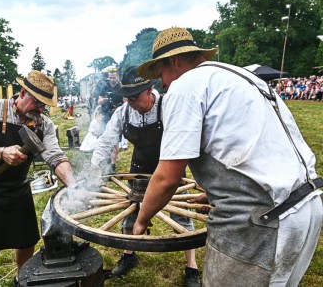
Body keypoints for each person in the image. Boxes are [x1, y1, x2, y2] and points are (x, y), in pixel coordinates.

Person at [133, 27, 323, 287]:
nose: (162, 84)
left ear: (174, 61)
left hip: (261, 221)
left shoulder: (184, 87)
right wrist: (217, 192)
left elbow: (168, 177)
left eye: (160, 74)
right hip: (306, 207)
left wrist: (141, 220)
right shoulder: (241, 77)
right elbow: (256, 147)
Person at [0, 70, 77, 287]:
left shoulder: (44, 124)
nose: (40, 109)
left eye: (44, 105)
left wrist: (74, 186)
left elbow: (56, 157)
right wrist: (1, 152)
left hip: (18, 190)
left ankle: (22, 282)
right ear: (23, 93)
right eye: (37, 102)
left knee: (25, 243)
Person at [91, 66, 200, 287]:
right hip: (138, 168)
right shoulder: (123, 113)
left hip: (169, 168)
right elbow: (105, 142)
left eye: (134, 97)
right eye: (126, 97)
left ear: (150, 90)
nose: (129, 101)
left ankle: (192, 267)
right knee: (130, 214)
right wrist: (94, 169)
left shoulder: (168, 107)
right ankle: (129, 255)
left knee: (183, 218)